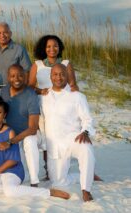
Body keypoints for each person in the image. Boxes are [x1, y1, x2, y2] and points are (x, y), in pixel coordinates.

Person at [0, 96, 69, 199]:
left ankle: (48, 192)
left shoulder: (10, 132)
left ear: (4, 115)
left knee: (10, 192)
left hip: (11, 172)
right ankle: (13, 189)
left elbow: (13, 161)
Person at [41, 64, 96, 202]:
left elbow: (87, 119)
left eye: (62, 74)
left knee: (86, 149)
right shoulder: (43, 97)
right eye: (55, 74)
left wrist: (86, 132)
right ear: (50, 76)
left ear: (67, 76)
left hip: (73, 138)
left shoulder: (77, 96)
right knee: (58, 182)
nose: (58, 77)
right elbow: (40, 120)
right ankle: (83, 175)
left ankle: (86, 189)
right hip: (55, 145)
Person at [0, 64, 43, 187]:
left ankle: (34, 181)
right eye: (13, 76)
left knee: (29, 141)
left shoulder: (31, 95)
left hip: (30, 134)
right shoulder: (4, 91)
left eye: (20, 75)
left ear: (25, 77)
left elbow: (33, 129)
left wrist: (11, 141)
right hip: (13, 135)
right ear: (8, 78)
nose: (17, 79)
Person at [0, 22, 31, 88]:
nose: (2, 35)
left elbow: (27, 71)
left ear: (10, 34)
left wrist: (22, 89)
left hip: (13, 89)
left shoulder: (19, 49)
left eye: (5, 32)